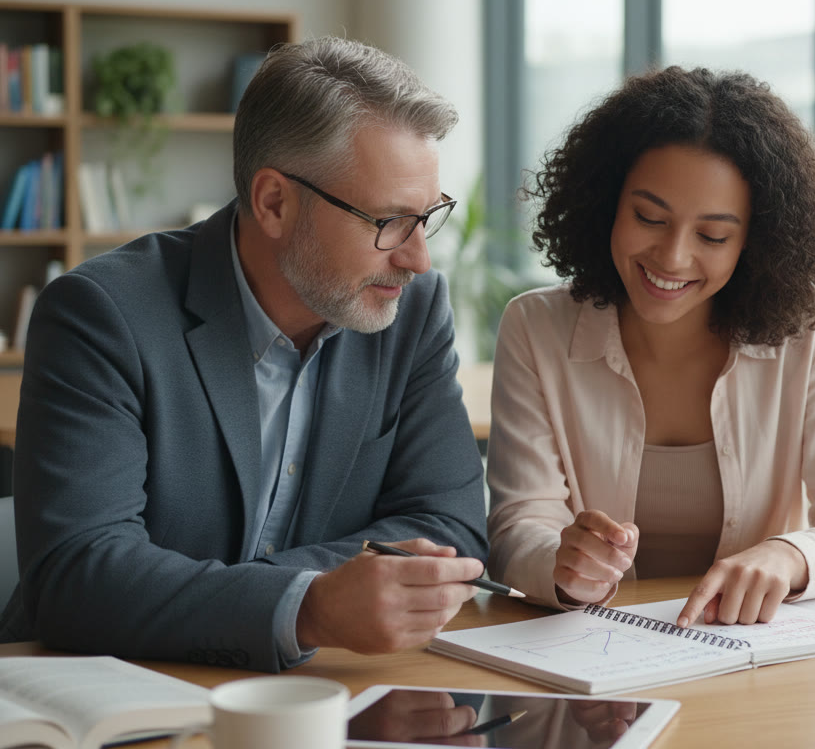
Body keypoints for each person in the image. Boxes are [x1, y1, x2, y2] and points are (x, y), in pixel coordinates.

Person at [0, 36, 488, 671]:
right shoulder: (100, 315)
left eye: (429, 216)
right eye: (388, 221)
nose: (418, 257)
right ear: (274, 203)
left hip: (320, 689)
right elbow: (79, 574)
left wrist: (252, 596)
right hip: (112, 691)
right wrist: (305, 605)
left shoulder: (413, 310)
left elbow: (450, 533)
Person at [486, 66, 815, 628]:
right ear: (608, 202)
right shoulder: (536, 328)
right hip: (591, 655)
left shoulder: (809, 330)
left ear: (754, 242)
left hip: (747, 657)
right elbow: (517, 526)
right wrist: (561, 563)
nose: (673, 258)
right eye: (649, 217)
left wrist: (788, 556)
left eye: (712, 236)